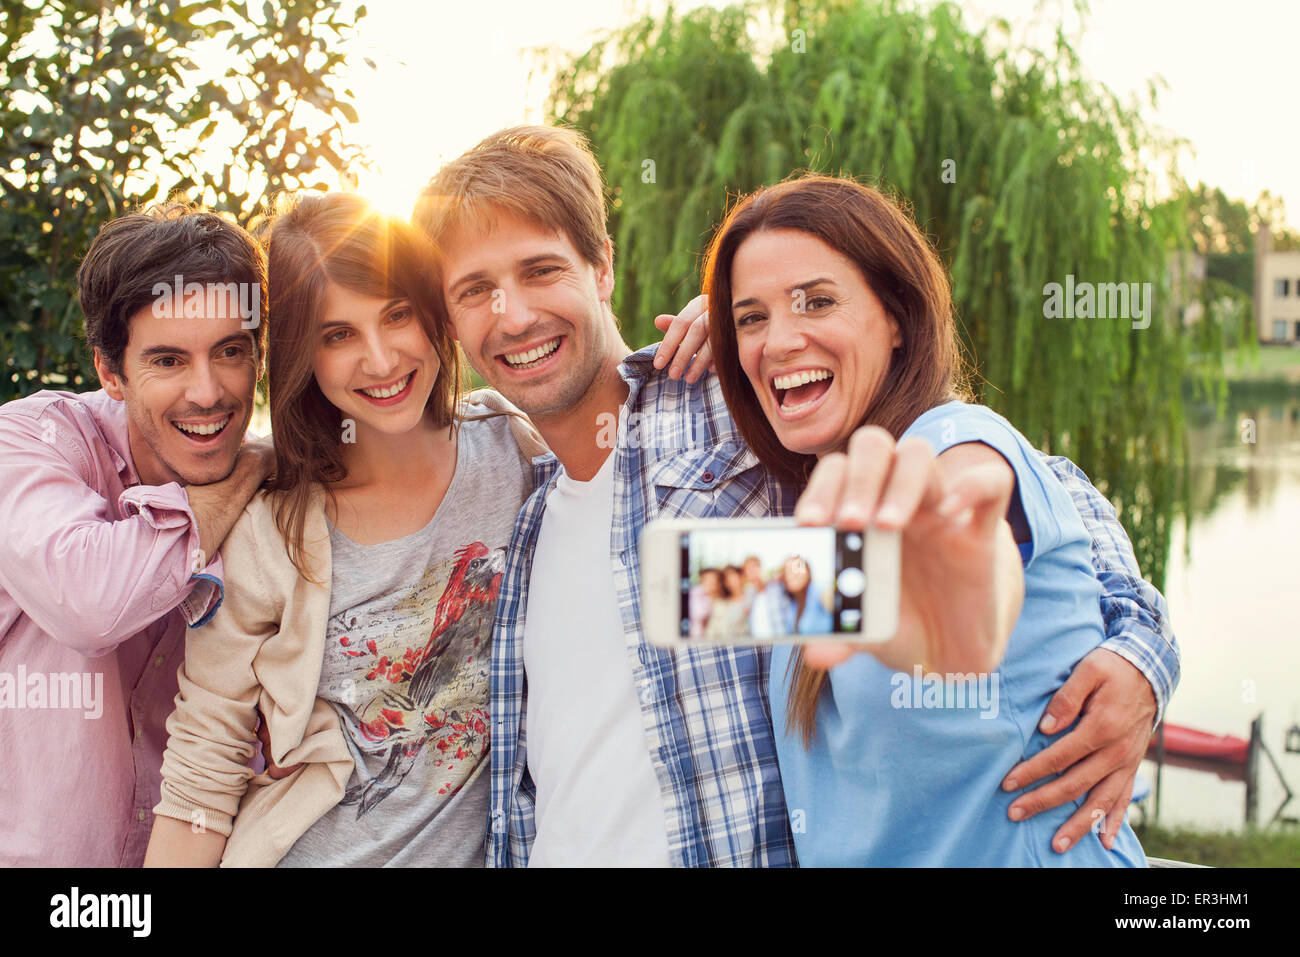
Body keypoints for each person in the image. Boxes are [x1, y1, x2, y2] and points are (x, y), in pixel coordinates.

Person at [414, 124, 1177, 866]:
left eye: (541, 270)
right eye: (474, 290)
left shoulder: (738, 414)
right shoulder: (523, 495)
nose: (511, 314)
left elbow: (1020, 504)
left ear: (602, 266)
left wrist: (1138, 650)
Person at [704, 173, 1157, 865]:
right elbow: (696, 592)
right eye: (750, 318)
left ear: (896, 319)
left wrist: (958, 587)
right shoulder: (815, 514)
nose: (779, 340)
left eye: (817, 301)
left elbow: (967, 513)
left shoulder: (957, 441)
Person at [142, 193, 546, 866]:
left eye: (396, 315)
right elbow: (201, 769)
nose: (382, 359)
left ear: (433, 314)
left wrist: (710, 334)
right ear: (303, 354)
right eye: (338, 335)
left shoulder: (512, 448)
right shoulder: (271, 531)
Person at [0, 204, 274, 866]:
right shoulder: (28, 443)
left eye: (230, 351)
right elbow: (89, 602)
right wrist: (238, 481)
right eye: (169, 359)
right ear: (110, 371)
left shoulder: (280, 506)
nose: (206, 392)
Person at [749, 556, 832, 639]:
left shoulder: (819, 591)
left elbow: (831, 600)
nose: (791, 574)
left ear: (807, 571)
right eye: (786, 572)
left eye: (796, 568)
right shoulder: (791, 603)